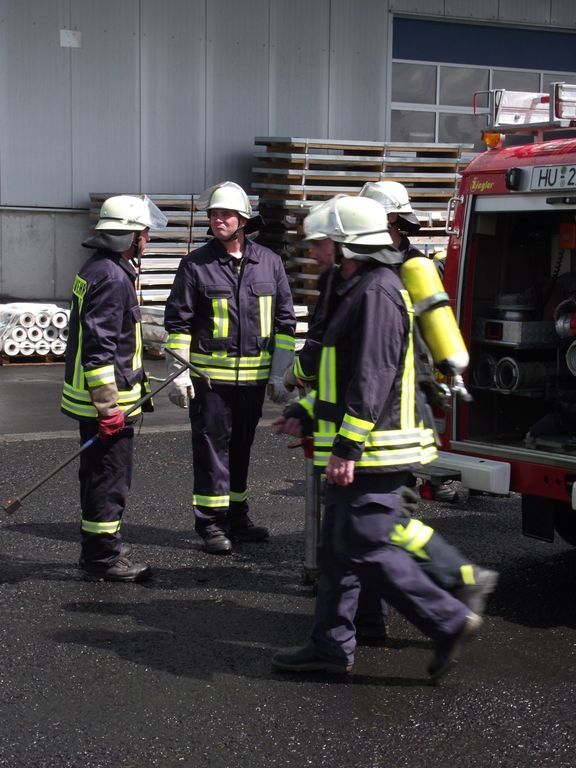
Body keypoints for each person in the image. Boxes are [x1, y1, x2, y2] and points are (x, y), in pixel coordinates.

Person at [271, 195, 483, 681]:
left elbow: (373, 376)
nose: (313, 252)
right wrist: (305, 411)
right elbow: (336, 372)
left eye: (321, 243)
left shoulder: (378, 292)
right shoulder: (345, 286)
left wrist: (347, 447)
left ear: (348, 245)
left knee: (367, 546)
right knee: (337, 549)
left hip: (377, 449)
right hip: (361, 445)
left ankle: (449, 620)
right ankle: (332, 645)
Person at [164, 181, 296, 555]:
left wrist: (279, 373)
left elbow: (285, 322)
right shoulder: (195, 265)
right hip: (210, 382)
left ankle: (237, 518)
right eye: (213, 215)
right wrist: (178, 373)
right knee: (211, 452)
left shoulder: (270, 263)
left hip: (253, 382)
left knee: (241, 449)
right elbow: (178, 323)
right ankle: (210, 524)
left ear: (243, 220)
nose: (217, 220)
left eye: (225, 214)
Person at [61, 194, 168, 582]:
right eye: (144, 234)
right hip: (108, 405)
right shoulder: (112, 277)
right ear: (130, 237)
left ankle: (97, 550)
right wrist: (108, 409)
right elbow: (100, 348)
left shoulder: (98, 268)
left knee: (97, 477)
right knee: (108, 480)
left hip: (94, 398)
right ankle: (103, 558)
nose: (148, 240)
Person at [358, 180, 458, 503]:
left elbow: (435, 320)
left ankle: (430, 478)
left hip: (414, 363)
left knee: (417, 422)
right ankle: (396, 483)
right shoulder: (362, 262)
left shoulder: (416, 265)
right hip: (376, 360)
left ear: (393, 219)